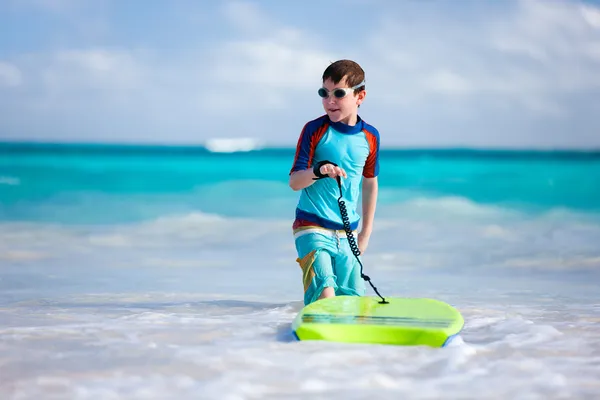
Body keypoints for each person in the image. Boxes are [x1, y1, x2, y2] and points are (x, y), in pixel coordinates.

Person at [288, 59, 380, 306]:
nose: (330, 101)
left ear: (360, 96)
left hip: (348, 232)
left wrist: (365, 234)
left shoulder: (370, 136)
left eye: (338, 94)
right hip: (311, 227)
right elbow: (295, 182)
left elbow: (370, 184)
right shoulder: (314, 130)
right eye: (324, 93)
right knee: (326, 298)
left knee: (352, 301)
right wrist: (319, 170)